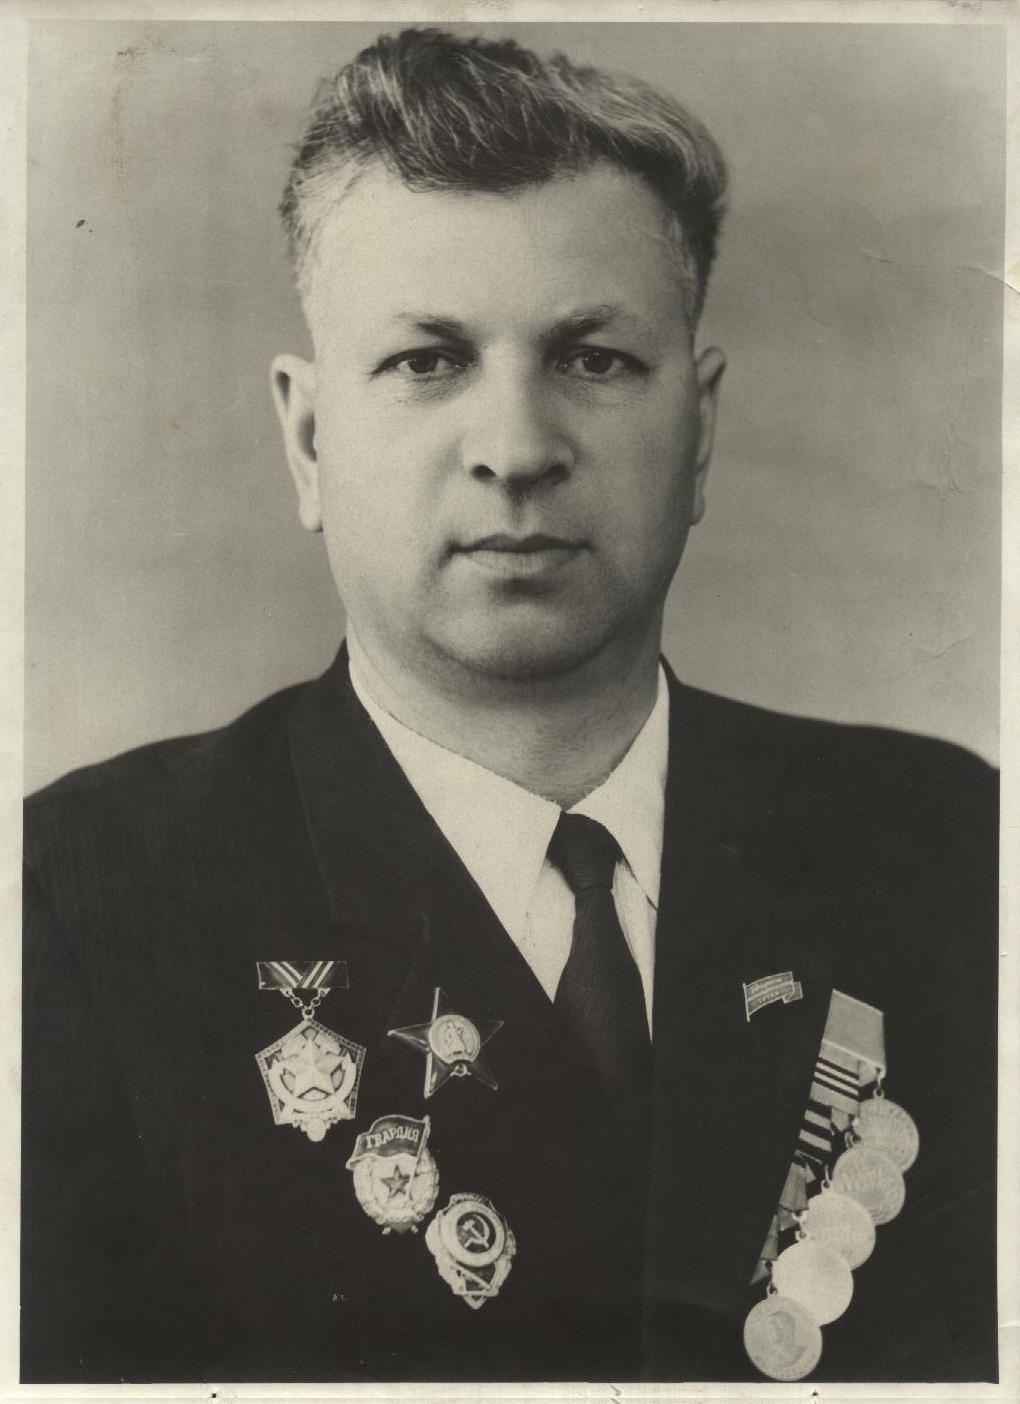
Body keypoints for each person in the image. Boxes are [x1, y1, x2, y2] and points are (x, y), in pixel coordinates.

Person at [21, 27, 997, 1385]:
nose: (518, 450)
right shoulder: (80, 905)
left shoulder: (953, 847)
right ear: (309, 439)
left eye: (593, 358)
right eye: (428, 360)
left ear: (700, 432)